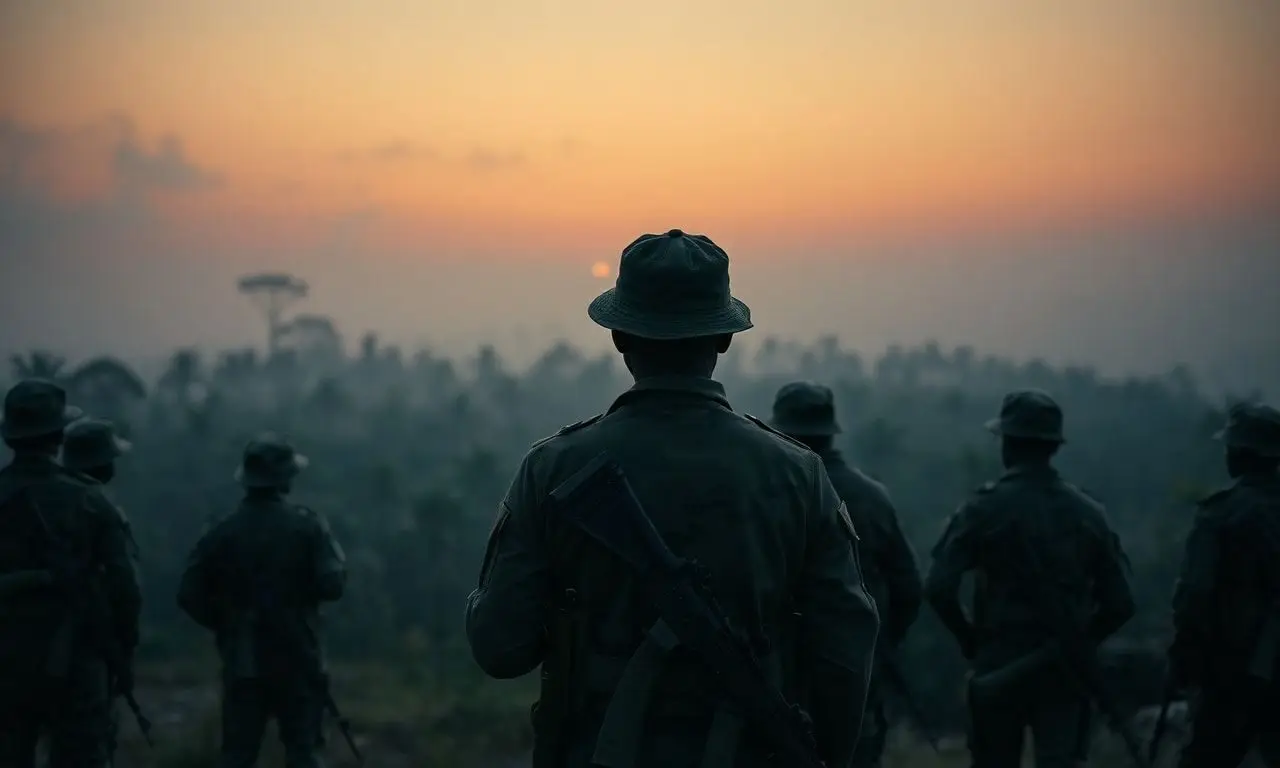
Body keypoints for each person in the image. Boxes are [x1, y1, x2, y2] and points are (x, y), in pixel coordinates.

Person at [466, 229, 879, 768]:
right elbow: (844, 650)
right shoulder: (797, 473)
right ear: (724, 338)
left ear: (618, 336)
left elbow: (500, 647)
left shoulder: (553, 468)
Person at [924, 389, 1135, 768]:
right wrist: (1075, 644)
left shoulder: (982, 509)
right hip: (1064, 674)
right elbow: (1120, 604)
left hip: (999, 660)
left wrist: (970, 639)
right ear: (1052, 447)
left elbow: (939, 587)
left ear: (1007, 444)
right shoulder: (1088, 513)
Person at [769, 381, 922, 767]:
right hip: (856, 668)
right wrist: (882, 640)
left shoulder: (770, 490)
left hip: (782, 671)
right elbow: (908, 587)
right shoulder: (872, 496)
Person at [177, 434, 347, 768]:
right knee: (304, 751)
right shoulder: (308, 526)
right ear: (285, 480)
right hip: (297, 655)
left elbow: (188, 593)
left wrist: (226, 623)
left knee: (238, 754)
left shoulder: (222, 532)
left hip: (243, 658)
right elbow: (333, 585)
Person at [0, 380, 142, 768]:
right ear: (59, 435)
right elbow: (125, 589)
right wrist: (122, 650)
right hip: (75, 659)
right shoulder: (89, 499)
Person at [1170, 402, 1280, 767]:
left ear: (1239, 453)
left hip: (1232, 672)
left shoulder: (1221, 515)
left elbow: (1195, 596)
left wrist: (1185, 655)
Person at [59, 416, 137, 765]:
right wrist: (124, 645)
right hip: (82, 647)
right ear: (101, 463)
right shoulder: (97, 506)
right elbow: (125, 587)